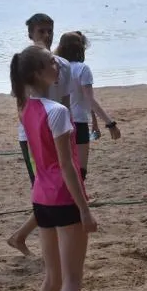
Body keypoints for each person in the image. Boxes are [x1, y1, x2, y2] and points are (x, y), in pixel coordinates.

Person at [10, 45, 97, 291]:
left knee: (52, 279)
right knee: (72, 281)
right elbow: (67, 166)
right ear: (38, 73)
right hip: (62, 196)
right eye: (51, 62)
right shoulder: (57, 111)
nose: (57, 64)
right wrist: (84, 209)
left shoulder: (25, 107)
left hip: (41, 197)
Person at [8, 13, 72, 256]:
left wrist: (71, 131)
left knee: (59, 188)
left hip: (59, 130)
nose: (46, 35)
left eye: (49, 30)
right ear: (30, 34)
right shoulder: (24, 65)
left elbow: (66, 101)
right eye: (41, 31)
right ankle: (26, 238)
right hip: (34, 135)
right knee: (46, 189)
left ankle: (21, 236)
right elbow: (21, 106)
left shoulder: (61, 65)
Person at [55, 31, 121, 180]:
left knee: (64, 166)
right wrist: (110, 123)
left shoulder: (56, 67)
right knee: (80, 170)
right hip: (78, 122)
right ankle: (77, 201)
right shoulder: (82, 69)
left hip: (58, 121)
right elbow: (90, 100)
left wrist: (95, 122)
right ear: (80, 48)